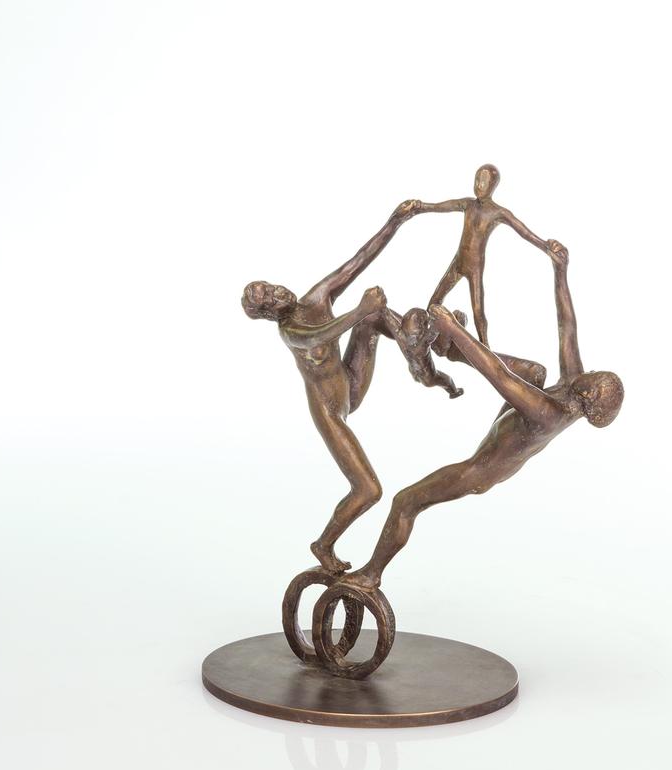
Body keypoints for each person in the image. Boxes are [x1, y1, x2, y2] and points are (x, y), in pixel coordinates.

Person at [344, 240, 624, 589]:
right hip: (507, 434)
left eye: (595, 378)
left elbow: (500, 377)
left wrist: (455, 330)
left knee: (406, 501)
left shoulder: (549, 412)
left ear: (590, 396)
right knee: (536, 372)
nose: (590, 372)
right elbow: (567, 326)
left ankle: (371, 574)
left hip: (480, 470)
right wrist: (560, 270)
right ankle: (452, 352)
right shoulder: (572, 386)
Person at [242, 199, 423, 575]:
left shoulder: (316, 298)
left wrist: (395, 222)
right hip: (330, 412)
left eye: (272, 287)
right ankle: (323, 544)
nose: (279, 292)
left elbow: (357, 262)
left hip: (351, 382)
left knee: (373, 320)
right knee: (369, 490)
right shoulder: (292, 332)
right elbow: (320, 335)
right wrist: (359, 310)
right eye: (270, 299)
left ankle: (418, 348)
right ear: (269, 314)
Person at [421, 164, 551, 346]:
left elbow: (523, 231)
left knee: (478, 311)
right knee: (435, 299)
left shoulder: (497, 213)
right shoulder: (468, 204)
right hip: (458, 263)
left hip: (474, 267)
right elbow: (442, 206)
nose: (478, 185)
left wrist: (545, 245)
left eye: (483, 181)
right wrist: (421, 206)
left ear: (493, 186)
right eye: (477, 180)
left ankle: (485, 346)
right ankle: (426, 333)